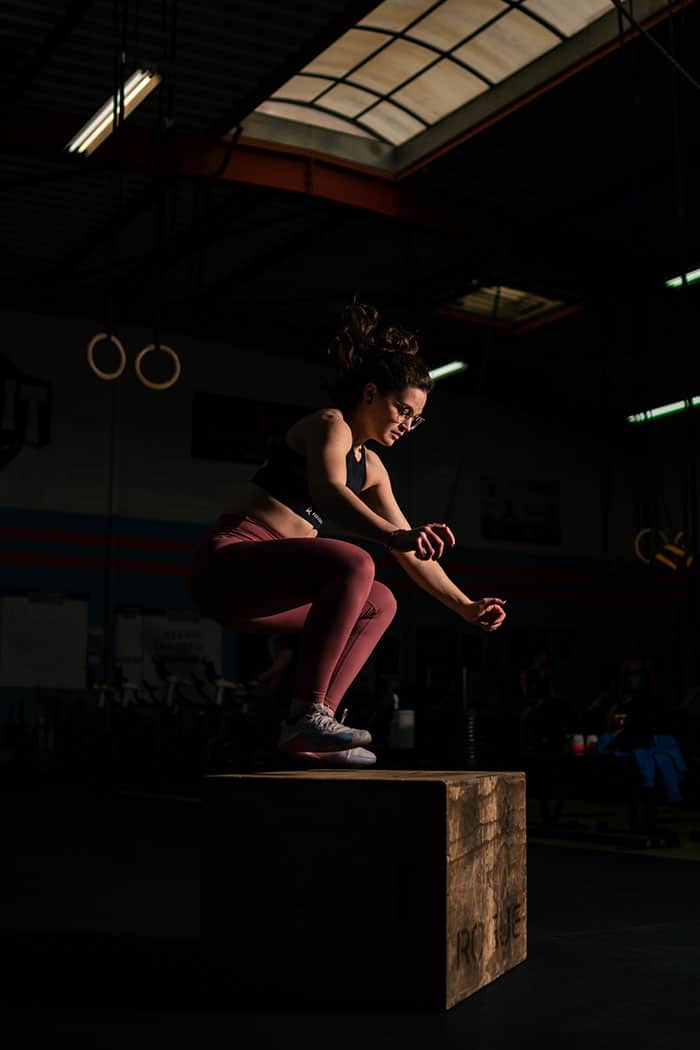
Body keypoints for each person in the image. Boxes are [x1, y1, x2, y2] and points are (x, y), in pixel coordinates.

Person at [188, 300, 507, 767]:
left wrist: (464, 604)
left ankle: (312, 731)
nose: (407, 424)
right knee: (356, 561)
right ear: (372, 393)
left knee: (382, 601)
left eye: (416, 418)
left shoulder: (374, 468)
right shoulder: (328, 425)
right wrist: (395, 538)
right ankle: (308, 712)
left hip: (267, 595)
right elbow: (331, 493)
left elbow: (410, 548)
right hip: (228, 566)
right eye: (403, 409)